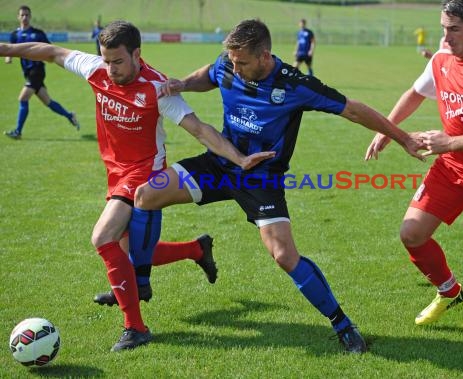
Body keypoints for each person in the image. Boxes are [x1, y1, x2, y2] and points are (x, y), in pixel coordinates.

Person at [130, 19, 423, 354]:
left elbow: (353, 110)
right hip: (221, 164)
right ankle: (140, 282)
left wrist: (401, 138)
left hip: (261, 179)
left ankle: (343, 325)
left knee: (284, 255)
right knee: (146, 195)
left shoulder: (294, 85)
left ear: (264, 56)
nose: (235, 68)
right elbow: (209, 73)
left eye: (242, 63)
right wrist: (181, 83)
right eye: (232, 61)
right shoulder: (229, 63)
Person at [0, 20, 274, 352]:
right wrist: (6, 48)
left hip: (144, 175)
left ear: (136, 54)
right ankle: (196, 249)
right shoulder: (96, 69)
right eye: (106, 60)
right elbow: (50, 51)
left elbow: (200, 130)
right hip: (114, 171)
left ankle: (136, 327)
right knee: (129, 251)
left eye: (118, 61)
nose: (110, 68)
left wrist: (240, 158)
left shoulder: (156, 88)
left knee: (102, 237)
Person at [366, 0, 463, 333]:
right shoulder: (440, 59)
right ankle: (449, 290)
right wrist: (388, 130)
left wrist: (449, 143)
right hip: (452, 165)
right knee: (412, 233)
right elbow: (415, 93)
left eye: (454, 30)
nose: (446, 38)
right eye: (443, 29)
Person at [4, 5, 80, 140]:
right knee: (48, 102)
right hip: (27, 72)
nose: (25, 17)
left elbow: (51, 49)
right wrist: (8, 58)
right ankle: (70, 116)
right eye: (22, 15)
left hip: (37, 70)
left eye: (27, 15)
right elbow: (10, 50)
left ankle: (18, 131)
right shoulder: (14, 35)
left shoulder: (38, 33)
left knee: (23, 98)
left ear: (30, 16)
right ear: (18, 17)